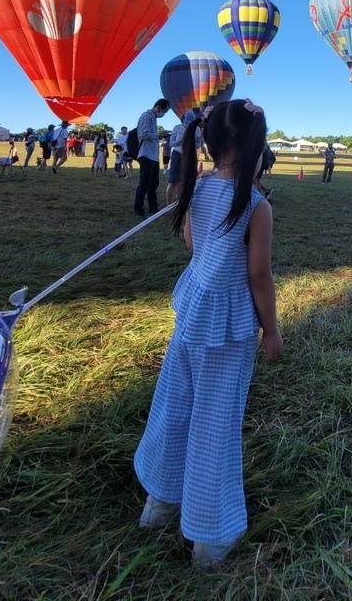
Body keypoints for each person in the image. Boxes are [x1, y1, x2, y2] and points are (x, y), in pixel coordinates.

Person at [133, 98, 283, 569]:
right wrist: (273, 331)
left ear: (211, 143)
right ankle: (209, 538)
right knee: (216, 425)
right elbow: (259, 275)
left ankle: (158, 505)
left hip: (193, 313)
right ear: (257, 148)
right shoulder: (257, 207)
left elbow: (195, 246)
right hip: (230, 328)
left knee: (174, 406)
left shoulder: (195, 190)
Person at [134, 98, 171, 217]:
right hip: (146, 154)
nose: (163, 114)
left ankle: (153, 208)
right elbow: (143, 134)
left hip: (153, 156)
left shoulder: (153, 118)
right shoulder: (146, 116)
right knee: (144, 183)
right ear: (159, 108)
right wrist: (159, 135)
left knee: (153, 184)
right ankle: (138, 209)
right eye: (164, 111)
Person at [167, 110, 198, 205]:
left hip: (189, 155)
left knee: (182, 180)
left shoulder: (195, 129)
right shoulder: (177, 128)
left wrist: (193, 143)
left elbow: (198, 143)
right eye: (187, 119)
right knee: (173, 181)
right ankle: (169, 205)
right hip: (177, 154)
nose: (188, 122)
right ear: (183, 119)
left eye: (191, 120)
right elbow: (171, 143)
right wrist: (179, 140)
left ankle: (179, 202)